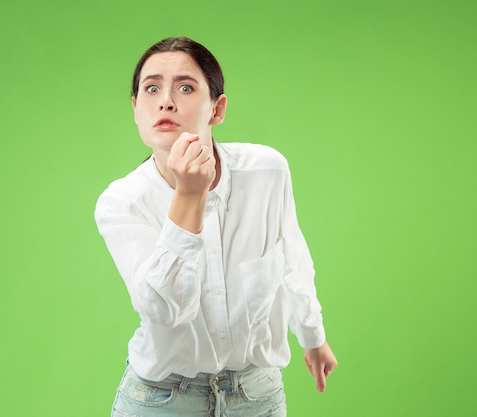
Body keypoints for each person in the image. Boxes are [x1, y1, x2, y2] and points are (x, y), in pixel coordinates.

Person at [94, 36, 338, 417]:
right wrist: (190, 196)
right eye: (151, 88)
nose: (166, 101)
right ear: (136, 108)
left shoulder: (266, 171)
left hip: (256, 394)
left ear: (217, 109)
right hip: (162, 399)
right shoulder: (123, 202)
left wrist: (312, 335)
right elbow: (165, 309)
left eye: (186, 87)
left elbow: (291, 255)